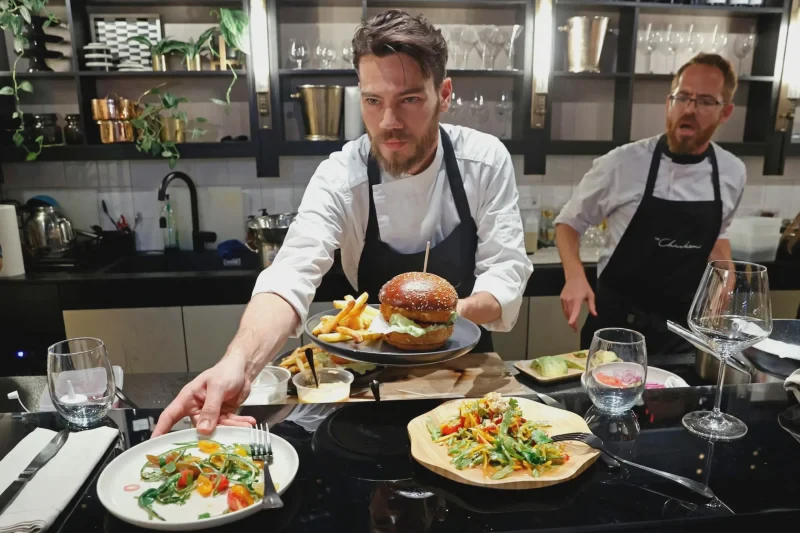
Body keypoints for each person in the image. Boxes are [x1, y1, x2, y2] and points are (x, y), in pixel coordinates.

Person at [152, 10, 532, 437]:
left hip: (465, 379)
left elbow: (507, 270)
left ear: (443, 95)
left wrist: (443, 318)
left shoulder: (483, 161)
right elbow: (291, 273)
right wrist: (238, 362)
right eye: (373, 101)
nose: (389, 122)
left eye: (409, 99)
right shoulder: (341, 175)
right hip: (371, 382)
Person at [556, 53, 746, 355]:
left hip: (684, 336)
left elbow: (718, 235)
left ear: (726, 112)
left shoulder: (732, 172)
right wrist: (575, 275)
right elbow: (568, 224)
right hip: (615, 333)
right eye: (682, 97)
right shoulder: (622, 163)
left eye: (706, 101)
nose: (690, 109)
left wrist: (726, 275)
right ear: (668, 102)